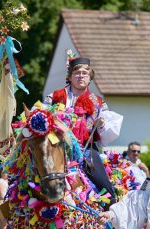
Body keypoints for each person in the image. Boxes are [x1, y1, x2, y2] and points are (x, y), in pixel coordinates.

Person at [43, 55, 122, 204]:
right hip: (56, 147)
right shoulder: (55, 96)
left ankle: (110, 206)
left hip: (86, 150)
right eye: (76, 73)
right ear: (70, 76)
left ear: (90, 76)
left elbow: (108, 132)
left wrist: (102, 124)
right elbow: (40, 116)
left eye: (85, 73)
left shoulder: (98, 101)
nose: (81, 76)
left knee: (103, 183)